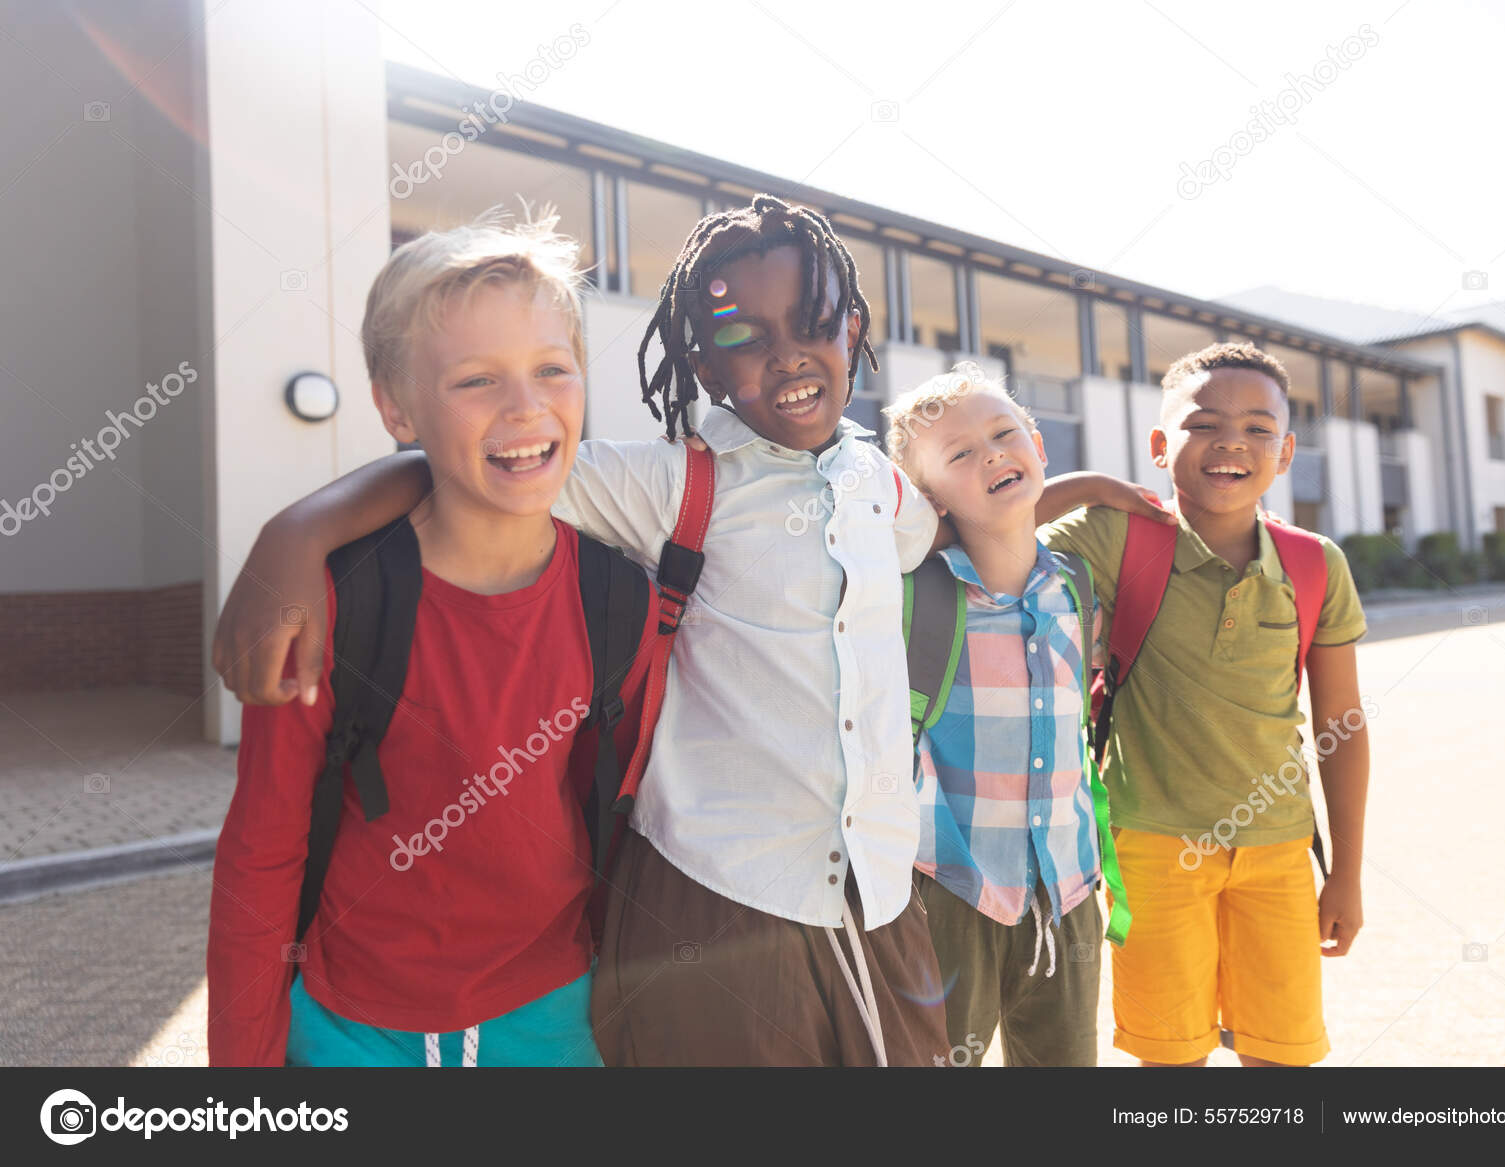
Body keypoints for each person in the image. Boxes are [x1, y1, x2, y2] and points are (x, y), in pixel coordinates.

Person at [209, 195, 1169, 1066]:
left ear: (856, 329)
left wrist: (1074, 489)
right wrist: (294, 537)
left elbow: (969, 515)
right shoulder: (675, 483)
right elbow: (488, 467)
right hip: (718, 899)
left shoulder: (883, 488)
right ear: (701, 363)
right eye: (744, 337)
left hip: (880, 900)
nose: (788, 355)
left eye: (813, 324)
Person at [206, 211, 654, 1066]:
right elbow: (261, 856)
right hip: (350, 1026)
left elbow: (627, 818)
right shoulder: (333, 605)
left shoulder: (620, 600)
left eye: (551, 369)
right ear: (395, 407)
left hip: (557, 1015)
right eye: (476, 381)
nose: (526, 408)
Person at [1041, 341, 1370, 1067]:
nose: (1231, 442)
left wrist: (1345, 870)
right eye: (1204, 424)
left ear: (1284, 453)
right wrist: (1089, 483)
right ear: (1160, 445)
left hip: (1280, 852)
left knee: (1281, 1056)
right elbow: (988, 525)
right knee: (1170, 1059)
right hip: (1150, 846)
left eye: (1257, 428)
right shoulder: (1113, 534)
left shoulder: (1316, 563)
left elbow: (1340, 728)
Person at [883, 363, 1116, 1066]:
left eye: (1002, 433)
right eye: (959, 454)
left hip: (1069, 888)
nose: (989, 454)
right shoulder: (910, 598)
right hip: (951, 891)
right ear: (928, 499)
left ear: (1038, 445)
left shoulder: (1078, 587)